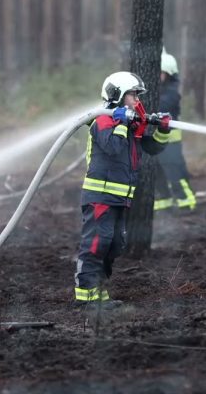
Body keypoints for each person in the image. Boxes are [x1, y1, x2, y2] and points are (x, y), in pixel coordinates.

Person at [74, 71, 171, 307]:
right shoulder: (103, 121)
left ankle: (98, 291)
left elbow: (153, 148)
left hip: (119, 198)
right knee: (97, 243)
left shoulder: (127, 124)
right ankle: (86, 297)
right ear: (117, 95)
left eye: (138, 95)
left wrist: (162, 129)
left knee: (114, 244)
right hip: (100, 196)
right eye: (132, 95)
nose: (137, 100)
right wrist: (123, 122)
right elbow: (113, 148)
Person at [153, 50, 197, 212]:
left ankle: (186, 201)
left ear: (169, 74)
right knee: (156, 173)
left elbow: (161, 106)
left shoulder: (171, 93)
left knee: (175, 173)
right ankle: (164, 202)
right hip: (153, 141)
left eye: (160, 73)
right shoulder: (152, 92)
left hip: (169, 142)